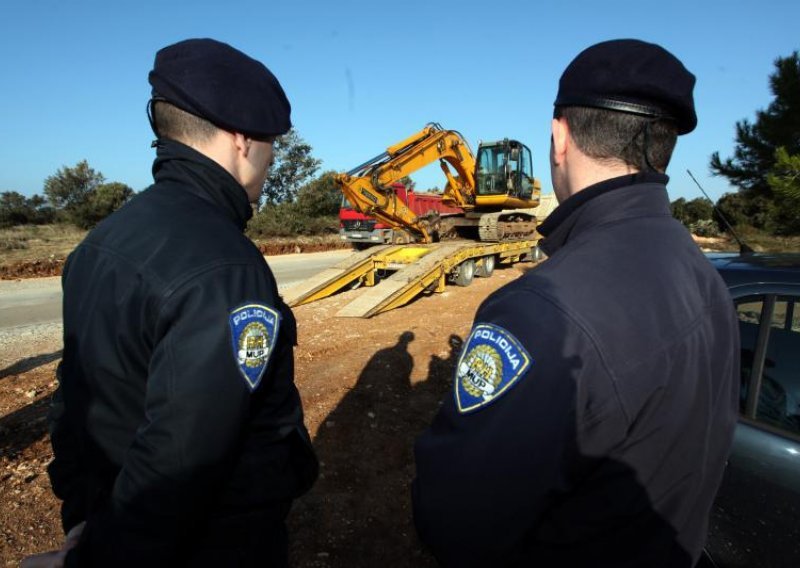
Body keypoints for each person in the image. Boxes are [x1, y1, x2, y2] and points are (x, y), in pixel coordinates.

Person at [412, 39, 740, 567]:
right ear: (665, 146)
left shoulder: (539, 312)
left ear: (559, 137)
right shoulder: (703, 275)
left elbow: (457, 522)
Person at [34, 38, 318, 567]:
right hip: (205, 545)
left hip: (108, 519)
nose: (271, 161)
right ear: (241, 140)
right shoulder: (226, 269)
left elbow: (71, 398)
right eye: (271, 145)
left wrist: (80, 518)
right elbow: (182, 458)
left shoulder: (100, 242)